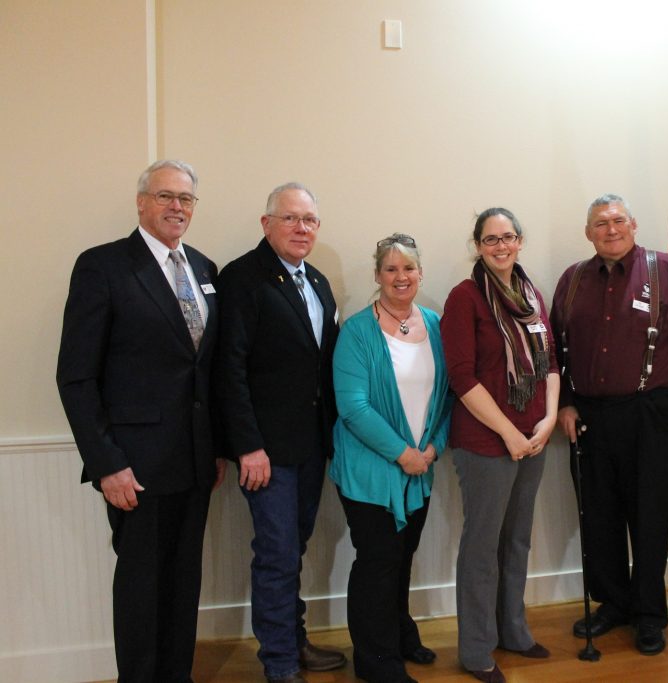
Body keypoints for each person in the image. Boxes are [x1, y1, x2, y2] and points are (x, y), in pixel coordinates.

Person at [56, 159, 225, 682]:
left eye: (187, 199)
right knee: (140, 587)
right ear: (141, 202)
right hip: (136, 465)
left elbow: (207, 370)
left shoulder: (203, 268)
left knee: (182, 581)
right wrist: (106, 463)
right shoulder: (103, 266)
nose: (177, 207)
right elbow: (76, 377)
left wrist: (216, 447)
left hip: (195, 461)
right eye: (165, 196)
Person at [550, 193, 668, 656]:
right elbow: (554, 354)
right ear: (588, 233)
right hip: (588, 416)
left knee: (649, 517)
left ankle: (648, 613)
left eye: (618, 220)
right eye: (600, 223)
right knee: (598, 516)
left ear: (634, 224)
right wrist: (563, 402)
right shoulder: (573, 280)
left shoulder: (667, 272)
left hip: (653, 414)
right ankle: (613, 604)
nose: (610, 229)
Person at [215, 183, 346, 683]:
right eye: (290, 218)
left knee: (295, 547)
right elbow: (230, 369)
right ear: (266, 223)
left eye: (309, 220)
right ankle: (280, 663)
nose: (301, 228)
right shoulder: (242, 278)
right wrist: (248, 445)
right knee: (276, 554)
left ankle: (293, 639)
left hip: (312, 445)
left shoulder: (316, 281)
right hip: (266, 452)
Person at [440, 208, 558, 683]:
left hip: (533, 439)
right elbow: (461, 376)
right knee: (482, 548)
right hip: (486, 443)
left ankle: (513, 630)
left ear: (520, 241)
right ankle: (475, 650)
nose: (501, 246)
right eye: (491, 240)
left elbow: (552, 361)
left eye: (508, 237)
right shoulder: (465, 298)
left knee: (518, 540)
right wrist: (507, 432)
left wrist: (547, 419)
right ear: (478, 246)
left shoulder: (532, 296)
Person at [329, 233, 452, 683]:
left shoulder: (437, 325)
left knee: (402, 556)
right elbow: (353, 407)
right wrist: (403, 454)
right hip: (369, 469)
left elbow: (447, 398)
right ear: (377, 275)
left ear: (420, 273)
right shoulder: (357, 331)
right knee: (378, 560)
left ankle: (401, 634)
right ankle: (376, 661)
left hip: (420, 466)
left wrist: (433, 447)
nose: (401, 277)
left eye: (409, 269)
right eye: (391, 269)